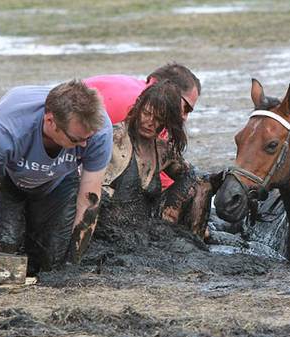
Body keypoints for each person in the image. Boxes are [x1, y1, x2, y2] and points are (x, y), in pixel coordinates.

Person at [0, 80, 113, 272]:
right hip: (8, 181)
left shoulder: (99, 131)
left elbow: (89, 200)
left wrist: (71, 265)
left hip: (58, 182)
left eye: (88, 138)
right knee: (3, 251)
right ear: (50, 122)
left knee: (52, 261)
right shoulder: (4, 127)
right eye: (76, 139)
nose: (85, 145)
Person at [85, 63, 215, 239]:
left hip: (137, 227)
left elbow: (182, 175)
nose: (185, 116)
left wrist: (189, 224)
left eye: (159, 118)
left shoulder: (160, 147)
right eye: (186, 108)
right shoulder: (114, 128)